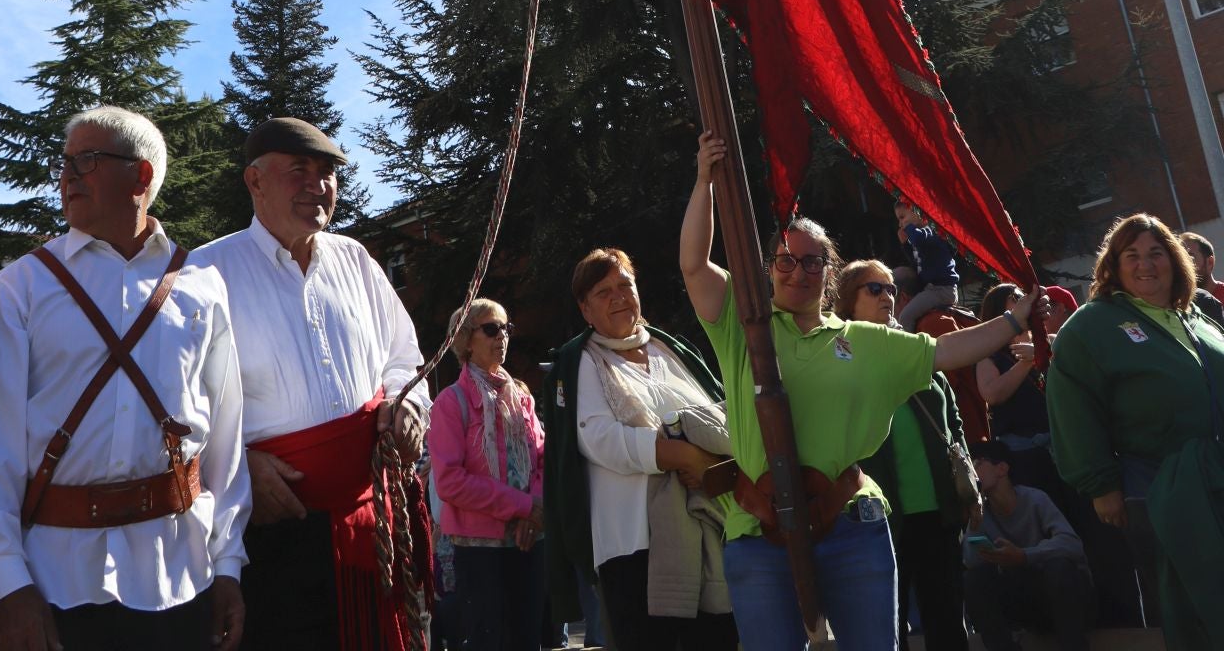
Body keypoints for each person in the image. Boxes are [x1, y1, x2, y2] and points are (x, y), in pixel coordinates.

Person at [681, 134, 1040, 651]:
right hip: (759, 528)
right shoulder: (747, 325)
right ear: (770, 269)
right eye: (786, 260)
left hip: (851, 523)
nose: (798, 271)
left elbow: (946, 352)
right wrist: (703, 182)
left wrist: (1013, 319)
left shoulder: (864, 340)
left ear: (828, 274)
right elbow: (694, 265)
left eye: (811, 262)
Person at [0, 106, 249, 651]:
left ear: (142, 175)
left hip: (181, 580)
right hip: (49, 586)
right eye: (63, 162)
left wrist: (228, 564)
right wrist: (6, 584)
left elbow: (224, 438)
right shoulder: (19, 288)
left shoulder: (203, 286)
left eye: (86, 160)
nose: (67, 175)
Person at [190, 117, 431, 651]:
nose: (317, 185)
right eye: (299, 170)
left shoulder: (358, 261)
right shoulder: (203, 276)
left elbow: (403, 358)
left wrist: (405, 403)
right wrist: (239, 465)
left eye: (326, 173)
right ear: (254, 181)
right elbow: (174, 409)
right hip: (266, 533)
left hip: (373, 526)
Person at [542, 247, 736, 651]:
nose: (618, 297)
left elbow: (722, 418)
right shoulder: (582, 361)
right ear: (585, 309)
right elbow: (599, 438)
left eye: (624, 285)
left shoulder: (671, 351)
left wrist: (710, 463)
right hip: (633, 545)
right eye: (602, 291)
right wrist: (684, 456)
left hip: (707, 529)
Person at [1046, 210, 1224, 650]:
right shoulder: (1091, 326)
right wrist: (1101, 484)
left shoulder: (1196, 316)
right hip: (1157, 485)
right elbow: (1073, 409)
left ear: (1176, 260)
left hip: (1216, 477)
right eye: (1133, 255)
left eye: (1156, 253)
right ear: (1114, 265)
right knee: (1185, 602)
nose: (1146, 264)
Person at [838, 260, 969, 650]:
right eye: (873, 289)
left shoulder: (916, 347)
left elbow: (953, 418)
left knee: (947, 622)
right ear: (848, 303)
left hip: (938, 511)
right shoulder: (839, 358)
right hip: (878, 517)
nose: (887, 296)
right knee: (887, 628)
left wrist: (964, 478)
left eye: (891, 288)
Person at [429, 297, 546, 650]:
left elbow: (542, 458)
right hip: (479, 553)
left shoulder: (521, 397)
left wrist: (535, 512)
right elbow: (449, 481)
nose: (503, 336)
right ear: (465, 340)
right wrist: (524, 507)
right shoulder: (451, 402)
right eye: (491, 329)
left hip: (528, 542)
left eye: (507, 328)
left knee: (528, 639)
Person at [962, 439, 1093, 651]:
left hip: (1065, 599)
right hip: (1024, 602)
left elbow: (1071, 544)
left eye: (977, 464)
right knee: (973, 580)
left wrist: (1024, 555)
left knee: (1059, 567)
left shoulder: (1035, 499)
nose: (973, 472)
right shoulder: (982, 513)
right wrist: (975, 525)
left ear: (1002, 468)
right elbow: (972, 562)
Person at [975, 281, 1060, 495]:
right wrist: (1027, 361)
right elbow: (993, 394)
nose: (1023, 306)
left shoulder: (1049, 343)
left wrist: (1041, 349)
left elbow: (1076, 351)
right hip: (1022, 455)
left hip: (1060, 446)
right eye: (1014, 301)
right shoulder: (989, 356)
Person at [894, 200, 959, 331]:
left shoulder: (932, 233)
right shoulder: (922, 237)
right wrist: (905, 245)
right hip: (932, 290)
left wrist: (909, 228)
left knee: (905, 317)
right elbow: (917, 263)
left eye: (902, 217)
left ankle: (910, 349)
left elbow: (918, 239)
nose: (901, 224)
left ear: (918, 212)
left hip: (941, 290)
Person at [1180, 232, 1224, 327]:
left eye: (1190, 257)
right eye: (1180, 259)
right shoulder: (1178, 305)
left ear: (1210, 262)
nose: (1184, 265)